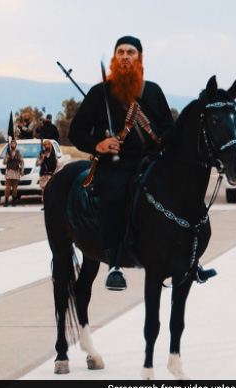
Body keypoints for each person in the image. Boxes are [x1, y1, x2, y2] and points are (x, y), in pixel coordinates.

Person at [68, 35, 175, 291]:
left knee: (179, 193)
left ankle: (184, 258)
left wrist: (163, 141)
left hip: (150, 161)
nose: (125, 56)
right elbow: (77, 132)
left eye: (131, 52)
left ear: (140, 59)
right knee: (114, 197)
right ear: (115, 58)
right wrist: (99, 145)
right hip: (116, 164)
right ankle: (115, 264)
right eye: (121, 52)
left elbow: (169, 129)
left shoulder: (153, 91)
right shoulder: (99, 93)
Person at [36, 140, 58, 208]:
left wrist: (55, 172)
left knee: (51, 190)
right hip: (44, 175)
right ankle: (45, 205)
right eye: (45, 144)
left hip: (51, 175)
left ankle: (51, 205)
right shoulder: (41, 154)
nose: (47, 146)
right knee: (44, 191)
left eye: (48, 144)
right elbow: (37, 164)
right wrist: (42, 159)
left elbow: (57, 164)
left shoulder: (53, 154)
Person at [3, 139, 24, 207]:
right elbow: (4, 162)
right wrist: (7, 157)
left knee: (15, 189)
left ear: (16, 145)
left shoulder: (18, 153)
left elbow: (22, 162)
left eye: (14, 143)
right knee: (7, 188)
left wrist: (22, 170)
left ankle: (14, 201)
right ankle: (6, 201)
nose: (13, 145)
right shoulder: (7, 153)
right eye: (11, 144)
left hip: (16, 172)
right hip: (9, 172)